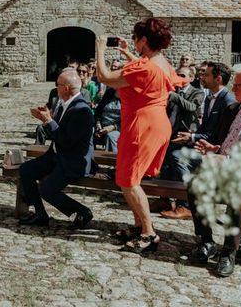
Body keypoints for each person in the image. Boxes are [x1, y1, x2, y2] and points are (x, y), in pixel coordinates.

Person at [95, 18, 186, 253]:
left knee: (128, 180)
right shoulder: (161, 62)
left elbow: (105, 77)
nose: (133, 41)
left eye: (135, 38)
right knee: (132, 177)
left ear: (144, 40)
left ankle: (148, 232)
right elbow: (145, 70)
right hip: (156, 122)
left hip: (141, 125)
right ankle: (139, 226)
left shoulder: (145, 67)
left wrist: (100, 47)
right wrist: (126, 52)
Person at [187, 63, 241, 277]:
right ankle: (206, 241)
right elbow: (220, 142)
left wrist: (224, 159)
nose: (233, 89)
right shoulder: (232, 109)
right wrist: (213, 148)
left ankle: (229, 252)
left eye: (238, 85)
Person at [19, 68, 95, 229]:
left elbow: (67, 141)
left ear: (66, 88)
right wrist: (45, 118)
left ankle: (82, 211)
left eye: (58, 84)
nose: (55, 87)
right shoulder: (62, 103)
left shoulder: (82, 111)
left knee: (47, 189)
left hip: (72, 160)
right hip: (56, 155)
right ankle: (40, 214)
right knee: (26, 169)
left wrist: (49, 122)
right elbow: (56, 135)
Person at [152, 66, 204, 218]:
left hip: (186, 137)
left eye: (182, 75)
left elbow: (192, 107)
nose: (178, 77)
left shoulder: (197, 92)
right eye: (177, 74)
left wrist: (173, 95)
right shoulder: (173, 91)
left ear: (191, 78)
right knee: (164, 163)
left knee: (175, 159)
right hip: (170, 134)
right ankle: (165, 199)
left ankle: (184, 204)